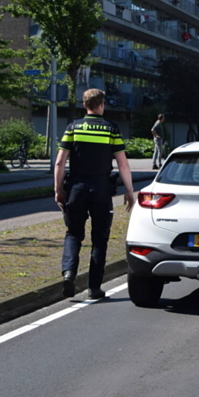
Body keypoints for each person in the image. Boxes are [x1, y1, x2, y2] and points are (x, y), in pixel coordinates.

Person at [55, 88, 135, 299]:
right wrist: (129, 191)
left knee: (73, 234)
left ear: (84, 105)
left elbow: (60, 162)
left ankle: (69, 273)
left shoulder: (73, 128)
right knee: (99, 239)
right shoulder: (111, 129)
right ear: (102, 104)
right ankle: (94, 288)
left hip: (76, 188)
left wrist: (58, 190)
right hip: (101, 189)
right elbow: (123, 164)